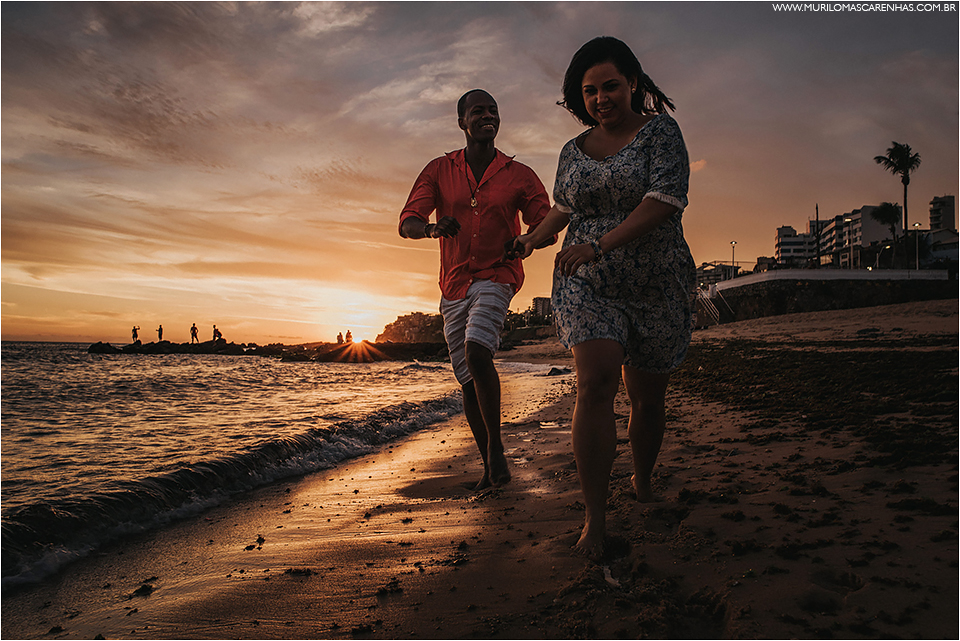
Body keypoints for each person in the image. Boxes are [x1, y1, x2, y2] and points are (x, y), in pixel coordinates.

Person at [508, 37, 696, 559]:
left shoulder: (661, 133)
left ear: (633, 83)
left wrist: (600, 244)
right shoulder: (573, 151)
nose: (601, 98)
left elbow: (664, 202)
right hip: (586, 283)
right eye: (589, 91)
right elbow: (562, 209)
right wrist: (532, 237)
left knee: (647, 400)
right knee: (593, 384)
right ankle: (595, 520)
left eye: (610, 86)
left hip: (656, 282)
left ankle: (642, 479)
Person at [400, 89, 554, 490]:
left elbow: (547, 223)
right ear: (462, 122)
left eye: (493, 111)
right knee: (467, 377)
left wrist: (528, 241)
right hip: (453, 285)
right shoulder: (438, 169)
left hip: (498, 276)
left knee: (477, 351)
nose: (487, 116)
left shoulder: (519, 175)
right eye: (478, 111)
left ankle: (498, 452)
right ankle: (490, 464)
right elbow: (408, 221)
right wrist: (433, 227)